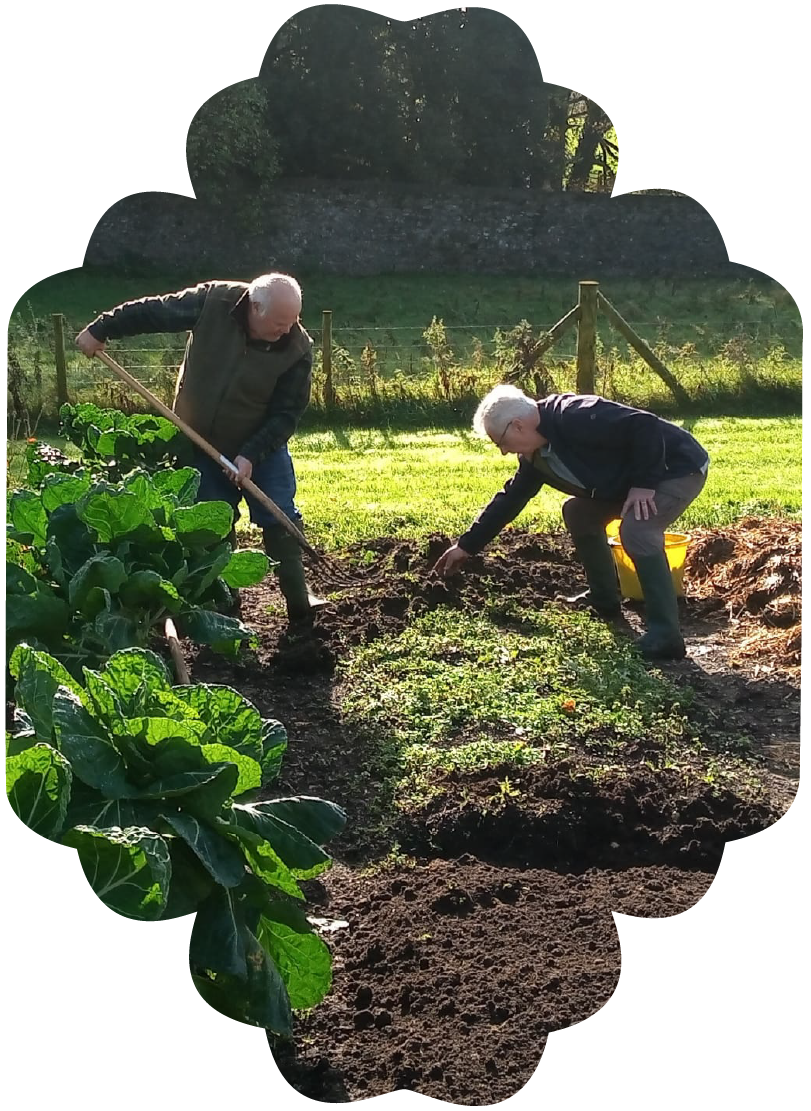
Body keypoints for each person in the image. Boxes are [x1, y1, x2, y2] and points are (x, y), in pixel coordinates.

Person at [75, 272, 325, 625]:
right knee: (212, 520)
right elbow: (155, 312)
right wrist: (101, 329)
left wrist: (250, 454)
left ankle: (300, 607)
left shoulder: (297, 348)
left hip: (261, 445)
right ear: (255, 307)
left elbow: (286, 415)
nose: (288, 330)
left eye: (293, 321)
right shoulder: (214, 302)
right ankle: (224, 608)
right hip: (200, 440)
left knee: (279, 515)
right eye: (280, 322)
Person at [432, 385, 710, 660]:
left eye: (500, 442)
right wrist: (466, 546)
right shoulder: (537, 455)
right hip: (632, 478)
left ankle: (666, 636)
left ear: (517, 426)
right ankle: (604, 600)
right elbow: (511, 498)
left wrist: (643, 485)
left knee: (637, 529)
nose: (504, 451)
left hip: (675, 469)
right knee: (578, 512)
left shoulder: (575, 415)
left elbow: (644, 426)